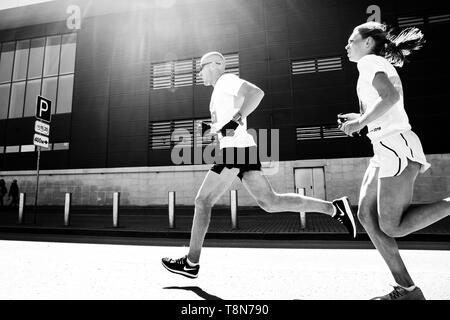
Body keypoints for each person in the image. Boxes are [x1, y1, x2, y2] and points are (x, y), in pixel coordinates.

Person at [162, 51, 357, 279]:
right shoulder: (218, 91)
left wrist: (237, 119)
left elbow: (256, 93)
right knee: (270, 202)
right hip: (242, 148)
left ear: (215, 65)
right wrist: (214, 128)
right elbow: (228, 122)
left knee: (202, 201)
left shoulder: (226, 80)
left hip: (235, 151)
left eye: (201, 68)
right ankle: (334, 208)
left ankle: (191, 263)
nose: (199, 73)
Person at [341, 21, 450, 300]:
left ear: (367, 43)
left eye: (352, 40)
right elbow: (385, 102)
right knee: (366, 216)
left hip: (395, 146)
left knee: (392, 226)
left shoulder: (368, 63)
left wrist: (361, 122)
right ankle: (408, 289)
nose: (347, 46)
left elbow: (390, 97)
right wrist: (361, 119)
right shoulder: (373, 64)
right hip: (383, 148)